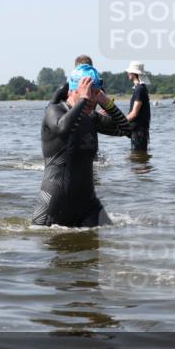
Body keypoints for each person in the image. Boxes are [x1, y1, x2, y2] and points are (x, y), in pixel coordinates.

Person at [31, 62, 131, 227]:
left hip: (88, 204)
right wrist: (83, 100)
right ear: (71, 91)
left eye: (95, 93)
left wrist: (107, 103)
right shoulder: (54, 111)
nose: (91, 98)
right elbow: (63, 129)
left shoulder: (91, 117)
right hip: (55, 205)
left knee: (115, 237)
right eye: (87, 92)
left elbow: (126, 129)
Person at [125, 61, 151, 152]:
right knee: (139, 156)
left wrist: (121, 122)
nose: (128, 73)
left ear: (133, 73)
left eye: (129, 72)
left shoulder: (139, 89)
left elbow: (134, 113)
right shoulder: (140, 88)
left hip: (139, 131)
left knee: (138, 155)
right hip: (139, 130)